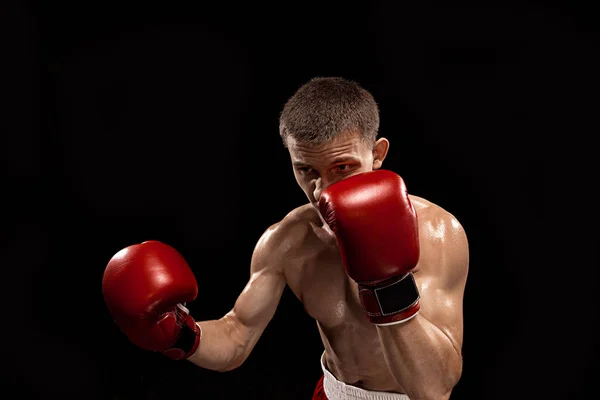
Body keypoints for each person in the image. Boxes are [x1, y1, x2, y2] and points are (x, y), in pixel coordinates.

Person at [103, 77, 469, 400]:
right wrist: (177, 333)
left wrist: (387, 284)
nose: (322, 189)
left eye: (342, 167)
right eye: (306, 170)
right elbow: (236, 336)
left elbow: (433, 390)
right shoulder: (288, 240)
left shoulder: (436, 233)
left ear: (377, 155)